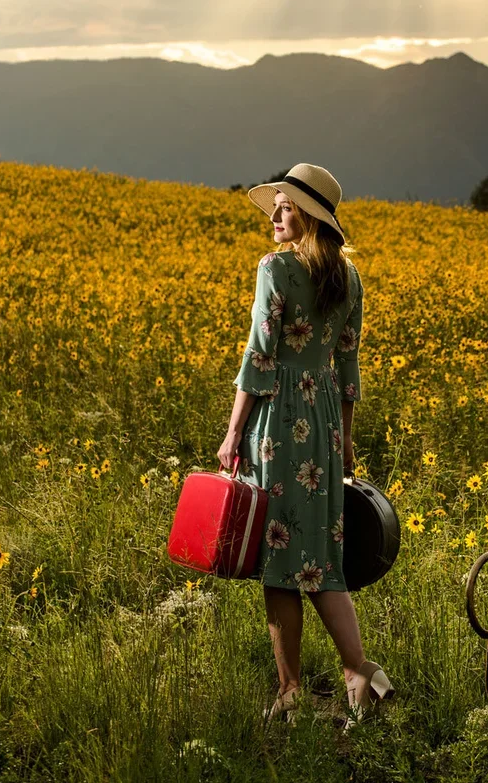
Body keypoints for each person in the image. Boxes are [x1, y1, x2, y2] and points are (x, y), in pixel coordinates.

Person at [216, 163, 394, 729]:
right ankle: (360, 671)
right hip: (322, 427)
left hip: (278, 420)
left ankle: (291, 690)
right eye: (277, 206)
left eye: (287, 208)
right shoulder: (350, 277)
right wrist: (342, 441)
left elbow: (260, 358)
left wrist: (233, 431)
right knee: (322, 560)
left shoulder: (275, 269)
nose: (275, 216)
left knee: (278, 560)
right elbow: (347, 367)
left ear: (309, 218)